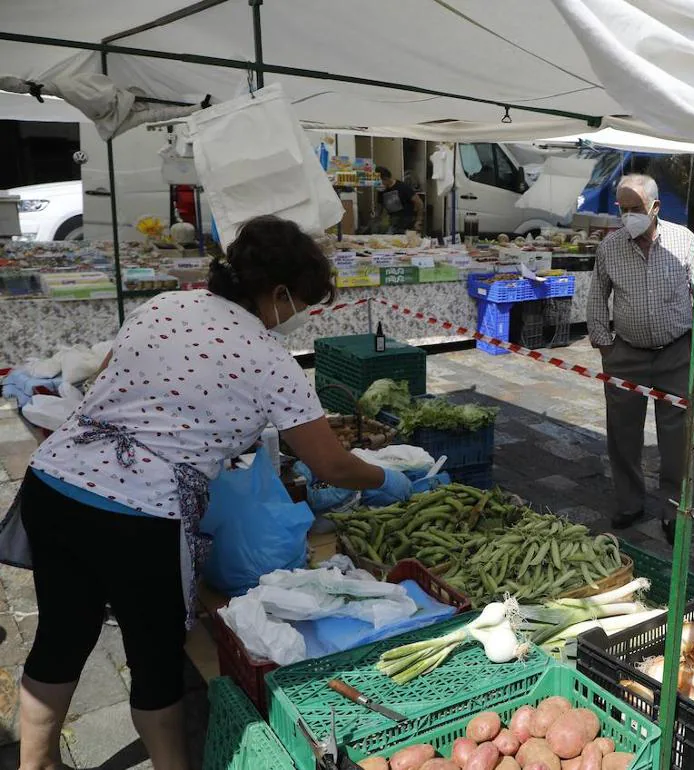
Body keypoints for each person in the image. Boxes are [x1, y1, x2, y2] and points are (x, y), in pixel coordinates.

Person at [11, 216, 413, 770]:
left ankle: (37, 764)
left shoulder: (165, 305)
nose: (298, 317)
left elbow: (108, 378)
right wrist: (385, 479)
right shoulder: (270, 360)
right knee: (154, 663)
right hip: (138, 517)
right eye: (301, 303)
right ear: (277, 292)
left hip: (54, 484)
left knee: (61, 634)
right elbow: (329, 463)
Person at [587, 174, 694, 535]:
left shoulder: (684, 240)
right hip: (626, 352)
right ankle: (630, 503)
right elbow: (598, 294)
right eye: (623, 209)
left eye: (636, 209)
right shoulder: (610, 248)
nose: (628, 216)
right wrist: (604, 343)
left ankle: (674, 511)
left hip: (676, 351)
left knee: (676, 440)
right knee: (622, 434)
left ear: (655, 208)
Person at [379, 166, 422, 234]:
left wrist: (418, 221)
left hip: (407, 223)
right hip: (393, 223)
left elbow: (419, 202)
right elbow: (381, 208)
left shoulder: (402, 187)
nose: (378, 184)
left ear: (385, 178)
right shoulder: (381, 190)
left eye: (379, 181)